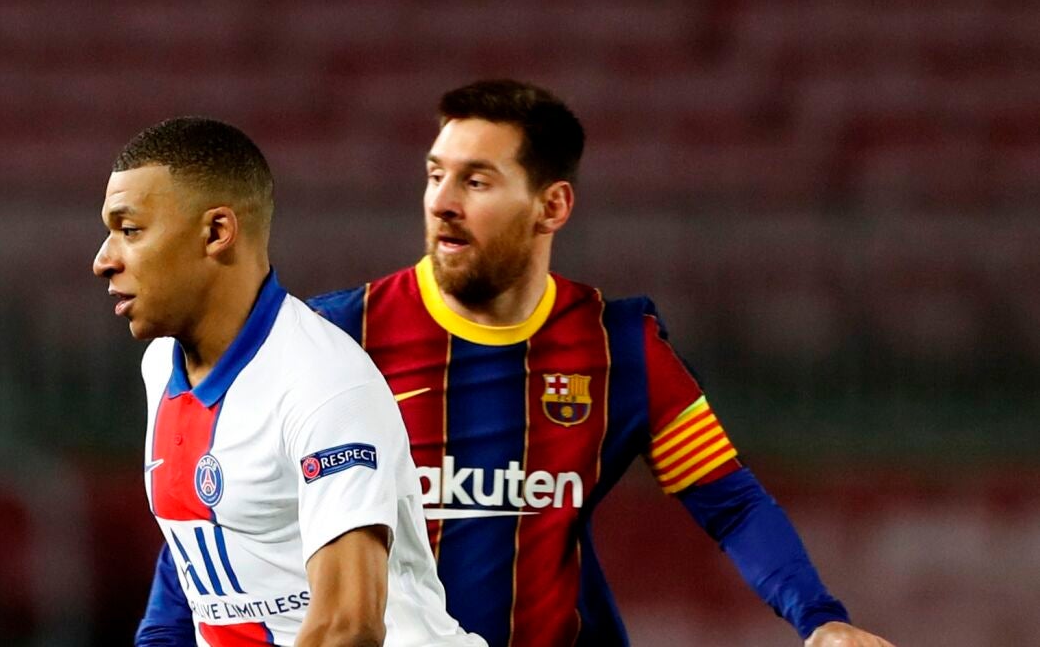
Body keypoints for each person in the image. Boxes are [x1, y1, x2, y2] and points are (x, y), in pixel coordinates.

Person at [306, 80, 896, 647]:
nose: (442, 203)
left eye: (476, 181)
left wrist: (821, 619)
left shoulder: (620, 350)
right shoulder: (338, 336)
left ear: (552, 206)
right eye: (436, 176)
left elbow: (732, 503)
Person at [93, 117, 484, 647]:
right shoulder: (161, 365)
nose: (103, 260)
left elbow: (348, 627)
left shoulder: (323, 384)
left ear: (216, 233)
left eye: (130, 230)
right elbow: (194, 558)